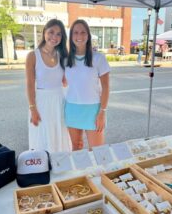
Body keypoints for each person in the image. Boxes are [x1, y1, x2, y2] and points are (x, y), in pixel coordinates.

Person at [26, 19, 71, 152]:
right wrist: (33, 109)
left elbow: (65, 81)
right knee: (42, 137)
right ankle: (43, 168)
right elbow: (29, 84)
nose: (54, 37)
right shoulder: (33, 56)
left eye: (59, 34)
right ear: (44, 32)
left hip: (59, 100)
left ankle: (60, 168)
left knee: (59, 135)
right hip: (41, 102)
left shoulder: (62, 55)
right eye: (51, 32)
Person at [65, 19, 110, 151]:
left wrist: (102, 112)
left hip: (93, 110)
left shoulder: (98, 58)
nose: (79, 36)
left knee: (97, 151)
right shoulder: (65, 59)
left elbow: (106, 88)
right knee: (76, 147)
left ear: (88, 36)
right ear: (71, 36)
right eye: (76, 33)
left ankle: (96, 173)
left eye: (83, 32)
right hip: (72, 109)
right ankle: (82, 173)